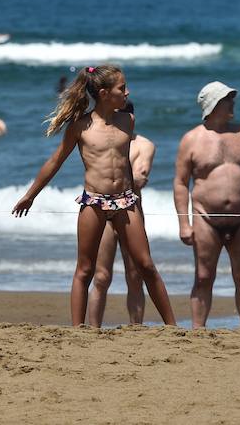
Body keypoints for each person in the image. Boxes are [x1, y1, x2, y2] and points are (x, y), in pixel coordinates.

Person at [12, 65, 176, 327]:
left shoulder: (128, 120)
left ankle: (172, 327)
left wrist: (134, 192)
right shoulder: (81, 126)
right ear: (104, 93)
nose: (127, 92)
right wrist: (30, 195)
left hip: (125, 201)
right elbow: (55, 161)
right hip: (94, 201)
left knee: (146, 265)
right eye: (122, 88)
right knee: (85, 269)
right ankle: (78, 329)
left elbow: (123, 163)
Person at [173, 81, 240, 328]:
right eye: (227, 99)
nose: (232, 103)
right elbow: (180, 183)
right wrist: (184, 224)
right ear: (213, 105)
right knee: (203, 276)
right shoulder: (191, 139)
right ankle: (198, 331)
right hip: (206, 218)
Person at [86, 102, 155, 327]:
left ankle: (136, 327)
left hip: (130, 212)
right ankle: (92, 329)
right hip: (103, 212)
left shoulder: (143, 144)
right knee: (101, 277)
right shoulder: (100, 139)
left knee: (135, 276)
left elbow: (140, 179)